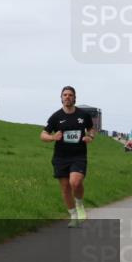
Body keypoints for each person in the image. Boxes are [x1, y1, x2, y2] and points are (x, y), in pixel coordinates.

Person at [40, 86, 96, 227]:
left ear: (74, 97)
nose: (67, 97)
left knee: (75, 182)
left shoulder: (83, 115)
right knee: (65, 187)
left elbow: (91, 129)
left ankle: (79, 205)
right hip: (61, 157)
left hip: (78, 155)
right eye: (65, 95)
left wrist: (90, 137)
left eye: (70, 95)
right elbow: (43, 135)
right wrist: (53, 137)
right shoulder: (56, 117)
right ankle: (73, 216)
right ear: (61, 97)